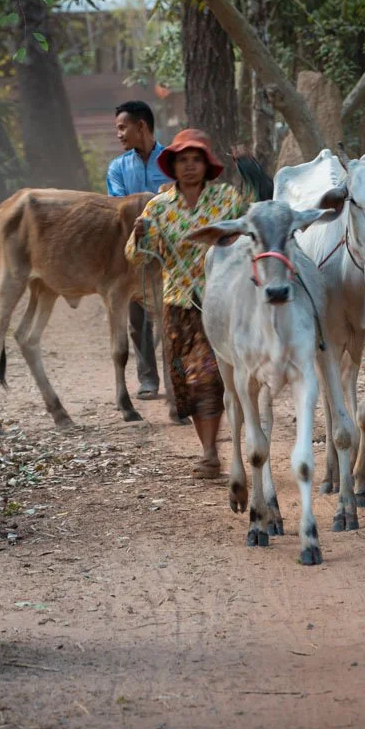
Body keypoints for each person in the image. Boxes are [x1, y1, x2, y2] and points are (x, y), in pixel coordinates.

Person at [125, 129, 252, 479]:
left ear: (207, 164)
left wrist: (252, 172)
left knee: (208, 376)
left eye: (196, 159)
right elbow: (137, 257)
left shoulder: (227, 199)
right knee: (189, 381)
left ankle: (216, 453)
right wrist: (139, 235)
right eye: (183, 160)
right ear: (173, 166)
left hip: (225, 302)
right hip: (179, 305)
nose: (190, 166)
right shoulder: (158, 207)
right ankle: (210, 450)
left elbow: (252, 231)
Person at [106, 100, 168, 400]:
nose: (119, 134)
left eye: (123, 127)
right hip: (135, 252)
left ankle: (178, 380)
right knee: (139, 319)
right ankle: (148, 380)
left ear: (141, 126)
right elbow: (117, 207)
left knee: (175, 317)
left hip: (171, 252)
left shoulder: (171, 160)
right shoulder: (117, 168)